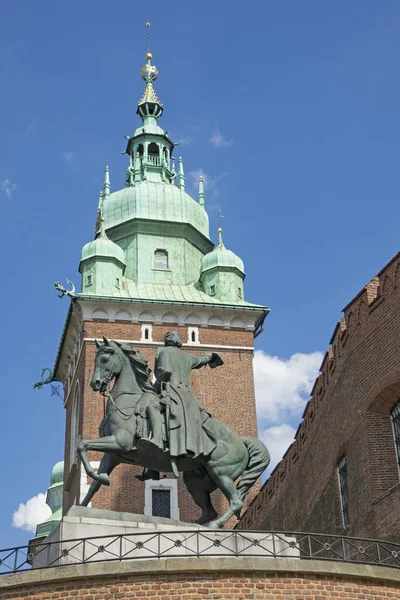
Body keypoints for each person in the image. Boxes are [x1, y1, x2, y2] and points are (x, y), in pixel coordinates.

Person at [153, 331, 223, 459]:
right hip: (188, 397)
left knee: (151, 408)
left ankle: (156, 443)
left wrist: (153, 388)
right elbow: (200, 360)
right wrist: (211, 356)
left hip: (170, 392)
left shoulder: (163, 352)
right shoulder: (186, 357)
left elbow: (165, 372)